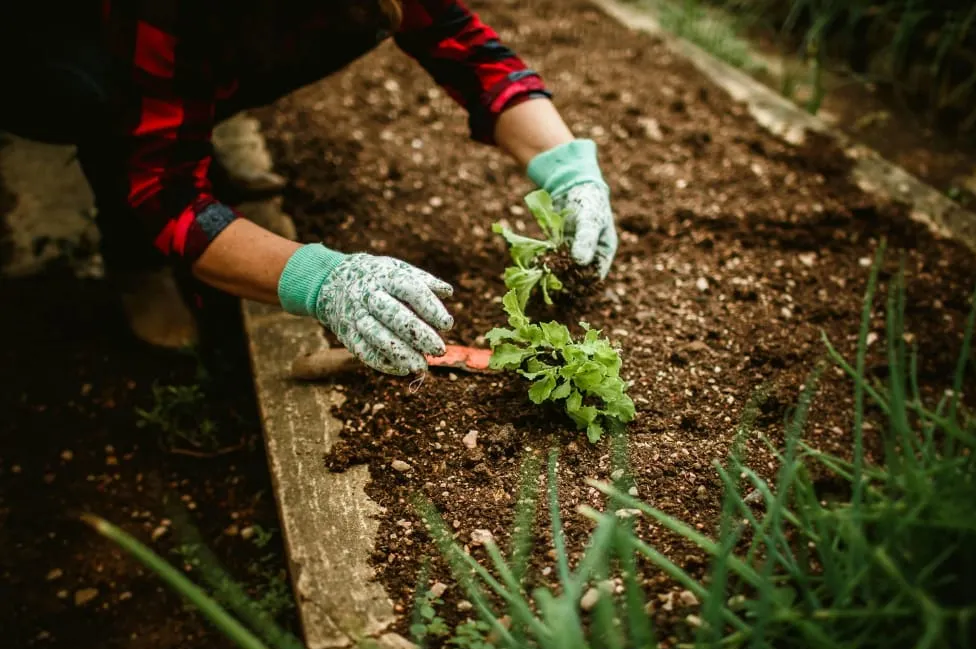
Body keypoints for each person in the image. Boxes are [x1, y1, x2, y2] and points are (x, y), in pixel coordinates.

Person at [0, 0, 619, 376]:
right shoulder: (171, 12)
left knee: (347, 27)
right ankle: (134, 261)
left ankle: (193, 119)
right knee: (100, 104)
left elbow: (472, 53)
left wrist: (568, 169)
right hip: (55, 46)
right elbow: (166, 194)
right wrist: (318, 278)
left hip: (209, 39)